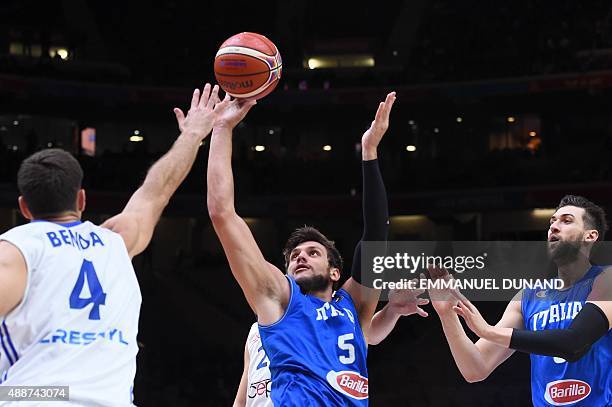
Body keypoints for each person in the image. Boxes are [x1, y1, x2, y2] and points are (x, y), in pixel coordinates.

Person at [0, 84, 222, 405]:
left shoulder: (14, 250)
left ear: (23, 207)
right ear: (81, 199)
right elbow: (156, 190)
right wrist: (193, 134)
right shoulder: (115, 241)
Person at [208, 92, 396, 405]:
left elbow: (376, 234)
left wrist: (369, 151)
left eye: (312, 252)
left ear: (335, 272)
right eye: (294, 256)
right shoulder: (278, 301)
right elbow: (222, 214)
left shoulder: (355, 308)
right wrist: (222, 129)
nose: (300, 257)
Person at [429, 195, 611, 406]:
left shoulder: (606, 280)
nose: (554, 227)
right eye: (552, 222)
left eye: (566, 221)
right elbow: (475, 368)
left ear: (590, 235)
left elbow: (573, 343)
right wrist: (446, 314)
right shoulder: (528, 296)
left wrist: (487, 331)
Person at [232, 286, 429, 406]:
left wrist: (391, 311)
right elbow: (242, 397)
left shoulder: (327, 312)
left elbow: (367, 335)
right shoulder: (256, 329)